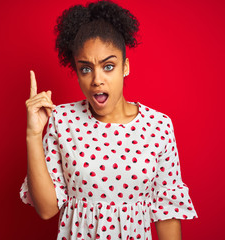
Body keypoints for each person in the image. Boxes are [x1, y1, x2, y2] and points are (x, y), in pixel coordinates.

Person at [19, 1, 198, 239]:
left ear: (125, 67)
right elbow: (47, 209)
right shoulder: (62, 121)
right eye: (85, 69)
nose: (97, 80)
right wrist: (33, 134)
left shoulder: (159, 126)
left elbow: (167, 214)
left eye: (108, 66)